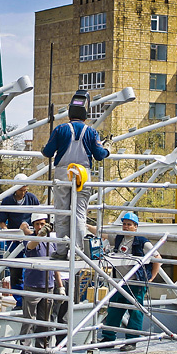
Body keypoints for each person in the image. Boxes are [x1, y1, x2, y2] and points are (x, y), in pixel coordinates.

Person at [42, 89, 109, 260]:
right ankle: (78, 252)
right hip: (83, 174)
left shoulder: (60, 129)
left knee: (62, 212)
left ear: (70, 111)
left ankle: (62, 250)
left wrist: (44, 148)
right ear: (86, 113)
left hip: (63, 173)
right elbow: (100, 155)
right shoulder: (91, 131)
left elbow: (48, 152)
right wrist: (107, 150)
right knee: (80, 213)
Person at [97, 212, 161, 352]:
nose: (126, 227)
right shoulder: (119, 238)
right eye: (124, 224)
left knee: (135, 312)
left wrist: (151, 277)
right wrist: (84, 224)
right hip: (119, 281)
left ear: (135, 227)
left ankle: (132, 341)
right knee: (114, 309)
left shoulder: (142, 242)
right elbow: (103, 234)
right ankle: (108, 338)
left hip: (135, 283)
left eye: (129, 224)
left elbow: (157, 257)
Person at [17, 214, 62, 354]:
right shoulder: (32, 239)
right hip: (33, 285)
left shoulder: (52, 242)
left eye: (42, 224)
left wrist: (60, 286)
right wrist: (40, 235)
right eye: (37, 224)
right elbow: (30, 246)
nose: (40, 227)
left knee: (45, 322)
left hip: (48, 286)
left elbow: (54, 266)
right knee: (29, 322)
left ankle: (41, 353)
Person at [0, 173, 40, 309]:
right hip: (14, 240)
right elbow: (2, 221)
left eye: (25, 190)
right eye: (21, 190)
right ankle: (20, 301)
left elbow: (39, 217)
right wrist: (6, 232)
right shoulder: (7, 201)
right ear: (15, 189)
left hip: (29, 238)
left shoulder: (32, 199)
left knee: (32, 267)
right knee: (15, 270)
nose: (23, 193)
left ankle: (33, 298)